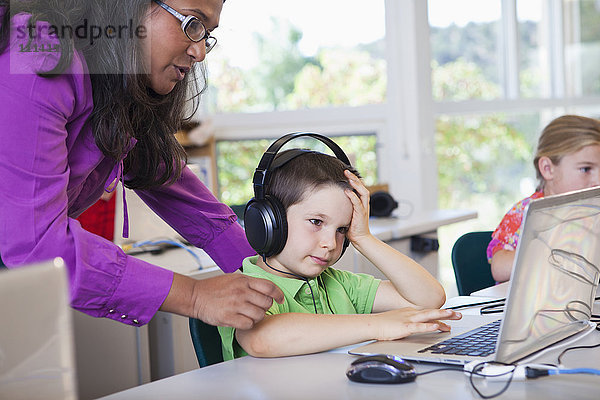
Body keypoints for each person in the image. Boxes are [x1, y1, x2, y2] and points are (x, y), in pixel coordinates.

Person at [0, 0, 284, 330]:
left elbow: (173, 185)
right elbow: (37, 247)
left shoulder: (119, 80)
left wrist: (270, 272)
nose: (200, 52)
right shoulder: (39, 54)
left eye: (207, 34)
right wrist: (194, 295)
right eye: (192, 23)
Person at [218, 149, 462, 360]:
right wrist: (377, 325)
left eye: (341, 230)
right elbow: (262, 338)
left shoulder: (338, 283)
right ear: (269, 222)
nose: (330, 243)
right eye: (316, 221)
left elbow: (429, 297)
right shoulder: (242, 289)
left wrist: (364, 238)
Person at [487, 115, 600, 283]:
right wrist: (554, 248)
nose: (597, 180)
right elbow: (499, 268)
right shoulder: (527, 212)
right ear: (548, 169)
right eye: (585, 169)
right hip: (536, 305)